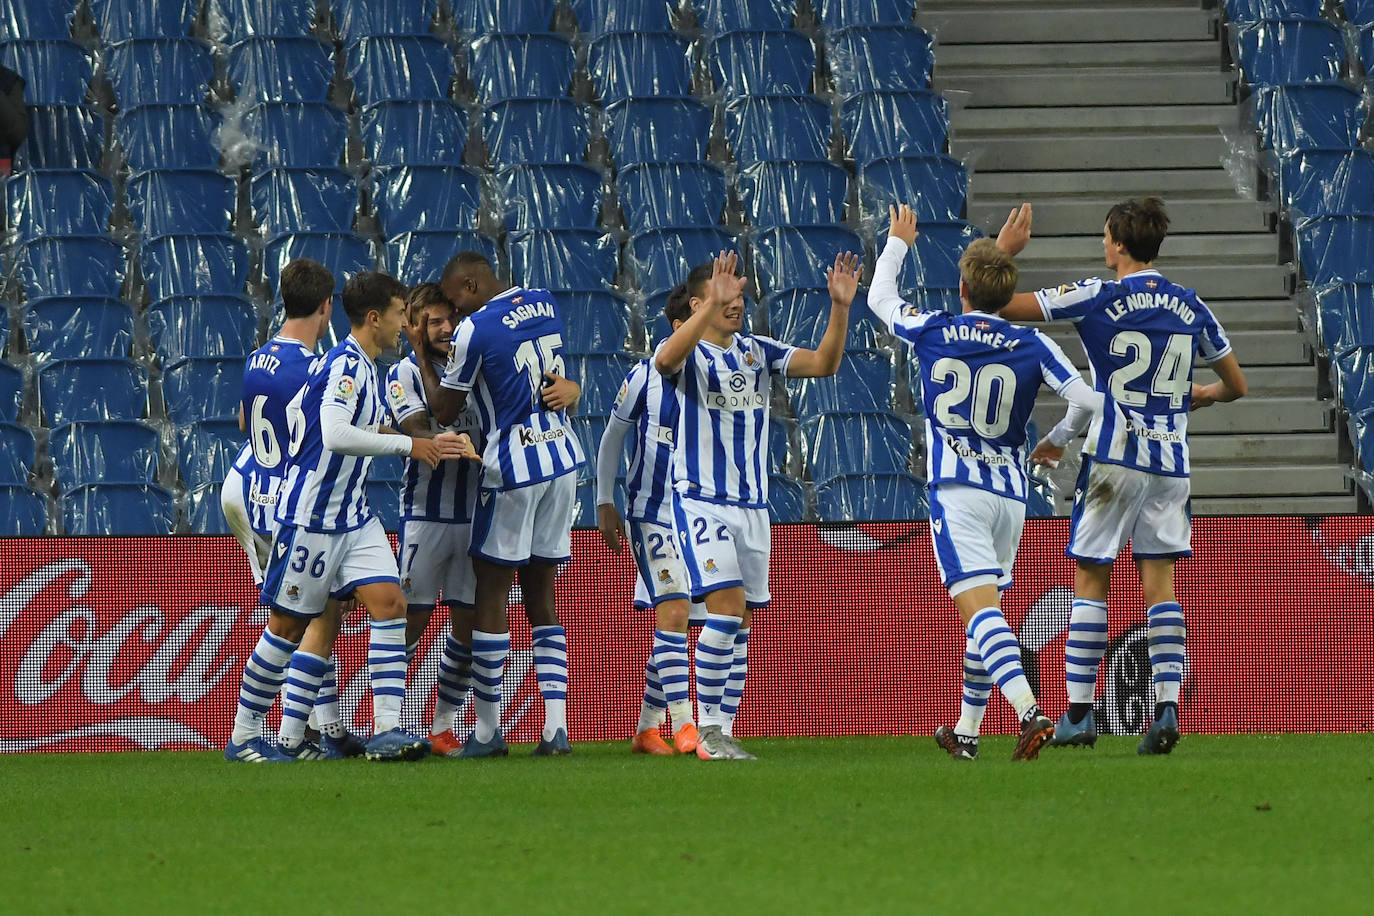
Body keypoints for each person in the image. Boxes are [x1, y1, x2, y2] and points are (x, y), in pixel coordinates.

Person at [995, 198, 1248, 754]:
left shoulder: (1098, 294)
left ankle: (1079, 716)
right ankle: (1166, 711)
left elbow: (1002, 306)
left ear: (1116, 243)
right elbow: (1236, 384)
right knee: (1161, 588)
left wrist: (1000, 253)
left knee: (1092, 580)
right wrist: (1200, 394)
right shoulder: (1190, 304)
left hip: (1115, 457)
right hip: (1171, 465)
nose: (1102, 243)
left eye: (1105, 236)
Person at [870, 205, 1104, 761]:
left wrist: (899, 243)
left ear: (961, 287)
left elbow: (880, 297)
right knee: (989, 608)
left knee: (978, 613)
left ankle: (1029, 711)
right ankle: (967, 731)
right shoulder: (1032, 343)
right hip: (1010, 496)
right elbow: (1087, 401)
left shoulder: (933, 330)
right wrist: (1058, 439)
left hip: (957, 493)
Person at [226, 270, 466, 763]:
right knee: (288, 627)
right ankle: (246, 734)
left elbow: (320, 421)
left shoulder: (358, 366)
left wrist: (428, 441)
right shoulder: (345, 367)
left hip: (353, 517)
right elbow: (334, 434)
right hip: (312, 517)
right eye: (401, 314)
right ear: (375, 318)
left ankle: (387, 730)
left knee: (390, 603)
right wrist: (410, 444)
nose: (406, 324)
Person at [653, 250, 861, 761]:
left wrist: (840, 307)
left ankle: (723, 728)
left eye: (741, 296)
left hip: (754, 507)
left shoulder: (756, 351)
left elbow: (824, 363)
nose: (736, 303)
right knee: (724, 610)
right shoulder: (688, 355)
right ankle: (708, 732)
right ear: (700, 301)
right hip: (702, 501)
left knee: (742, 621)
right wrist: (707, 310)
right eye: (725, 295)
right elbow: (663, 360)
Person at [415, 253, 583, 758]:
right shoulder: (545, 303)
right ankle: (556, 729)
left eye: (455, 300)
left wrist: (422, 354)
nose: (454, 314)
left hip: (513, 468)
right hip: (564, 459)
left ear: (470, 283)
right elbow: (559, 387)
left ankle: (487, 731)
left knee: (491, 595)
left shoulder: (476, 328)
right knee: (543, 598)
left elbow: (443, 410)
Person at [221, 258, 361, 760]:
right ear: (327, 307)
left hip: (243, 485)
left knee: (317, 607)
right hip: (280, 497)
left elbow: (243, 421)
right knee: (298, 615)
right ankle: (260, 733)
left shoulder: (258, 357)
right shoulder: (314, 369)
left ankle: (317, 728)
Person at [596, 285, 701, 756]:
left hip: (698, 511)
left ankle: (645, 728)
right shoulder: (644, 378)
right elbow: (612, 438)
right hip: (649, 511)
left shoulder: (716, 378)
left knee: (677, 619)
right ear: (680, 328)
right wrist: (603, 501)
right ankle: (684, 725)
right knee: (675, 611)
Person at [385, 283, 482, 756]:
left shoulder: (477, 368)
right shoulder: (402, 371)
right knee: (410, 620)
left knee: (467, 623)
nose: (446, 329)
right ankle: (392, 721)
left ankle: (444, 726)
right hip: (426, 516)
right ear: (414, 327)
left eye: (451, 320)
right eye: (433, 322)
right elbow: (418, 430)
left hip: (478, 518)